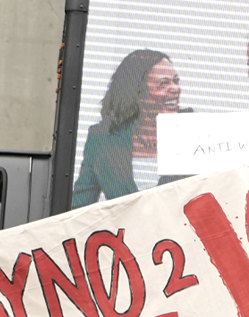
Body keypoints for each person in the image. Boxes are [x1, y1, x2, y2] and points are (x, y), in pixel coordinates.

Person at [71, 49, 191, 208]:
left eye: (176, 80)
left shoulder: (194, 130)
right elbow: (80, 206)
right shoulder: (101, 139)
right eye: (164, 83)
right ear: (137, 92)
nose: (176, 89)